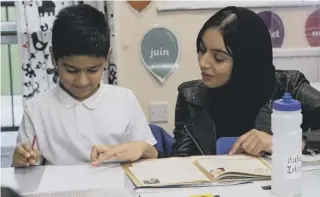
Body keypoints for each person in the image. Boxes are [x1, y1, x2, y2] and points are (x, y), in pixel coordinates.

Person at [12, 4, 158, 167]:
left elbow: (152, 155)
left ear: (107, 57)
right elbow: (22, 173)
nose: (82, 81)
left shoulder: (125, 100)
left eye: (93, 70)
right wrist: (20, 161)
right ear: (54, 57)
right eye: (71, 70)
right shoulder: (36, 109)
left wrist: (141, 147)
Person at [171, 6, 320, 157]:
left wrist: (283, 142)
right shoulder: (191, 97)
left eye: (218, 58)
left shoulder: (290, 86)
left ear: (246, 61)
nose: (203, 63)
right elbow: (181, 162)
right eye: (202, 49)